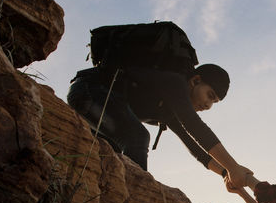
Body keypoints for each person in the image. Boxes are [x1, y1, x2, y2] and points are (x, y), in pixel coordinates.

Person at [67, 62, 251, 181]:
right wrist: (232, 166)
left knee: (113, 152)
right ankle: (137, 198)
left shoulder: (169, 110)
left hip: (95, 104)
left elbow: (196, 149)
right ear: (195, 81)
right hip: (88, 91)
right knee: (138, 137)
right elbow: (195, 126)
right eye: (210, 96)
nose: (208, 105)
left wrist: (227, 173)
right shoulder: (175, 82)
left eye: (214, 102)